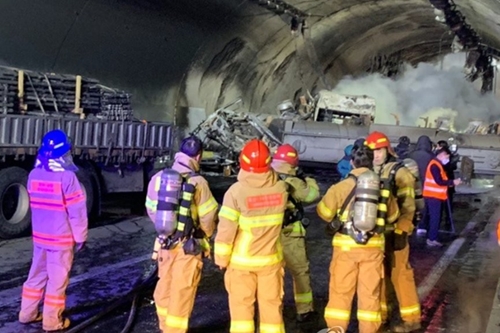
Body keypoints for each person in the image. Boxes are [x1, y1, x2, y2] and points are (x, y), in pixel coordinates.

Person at [317, 146, 398, 333]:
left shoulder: (339, 187)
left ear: (352, 163)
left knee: (340, 294)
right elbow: (393, 216)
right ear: (372, 163)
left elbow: (324, 213)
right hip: (373, 250)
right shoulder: (383, 187)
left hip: (345, 250)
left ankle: (336, 329)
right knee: (370, 295)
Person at [145, 135, 218, 333]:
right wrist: (207, 236)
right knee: (182, 290)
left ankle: (164, 326)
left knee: (164, 285)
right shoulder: (199, 183)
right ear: (199, 156)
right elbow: (208, 216)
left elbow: (151, 208)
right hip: (189, 245)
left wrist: (165, 229)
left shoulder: (158, 178)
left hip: (165, 241)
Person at [214, 139, 288, 333]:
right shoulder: (281, 189)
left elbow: (226, 230)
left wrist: (221, 259)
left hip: (242, 263)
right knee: (272, 310)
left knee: (242, 312)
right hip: (271, 261)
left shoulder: (236, 192)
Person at [19, 129, 88, 332]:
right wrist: (81, 236)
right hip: (61, 239)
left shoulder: (33, 175)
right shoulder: (67, 178)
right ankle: (52, 322)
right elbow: (77, 212)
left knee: (36, 276)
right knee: (57, 281)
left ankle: (27, 313)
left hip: (40, 238)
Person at [364, 131, 421, 333]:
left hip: (395, 233)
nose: (376, 154)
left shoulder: (400, 172)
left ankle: (412, 319)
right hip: (376, 236)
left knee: (400, 275)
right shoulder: (369, 171)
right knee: (378, 276)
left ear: (387, 149)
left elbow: (409, 206)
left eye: (379, 150)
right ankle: (382, 315)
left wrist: (402, 231)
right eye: (372, 151)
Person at [271, 144, 320, 322]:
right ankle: (304, 309)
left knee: (272, 274)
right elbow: (312, 195)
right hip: (291, 234)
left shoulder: (267, 177)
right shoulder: (294, 182)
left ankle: (272, 310)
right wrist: (308, 178)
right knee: (300, 271)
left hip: (269, 234)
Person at [422, 146, 461, 247]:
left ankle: (432, 237)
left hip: (436, 195)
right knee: (435, 218)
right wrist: (452, 182)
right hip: (433, 196)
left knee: (436, 217)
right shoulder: (434, 165)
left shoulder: (437, 164)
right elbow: (439, 181)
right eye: (447, 156)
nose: (447, 158)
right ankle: (432, 239)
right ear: (442, 155)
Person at [407, 135, 435, 236]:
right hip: (426, 184)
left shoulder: (411, 154)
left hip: (412, 183)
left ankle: (409, 224)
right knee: (423, 205)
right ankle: (422, 226)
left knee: (410, 204)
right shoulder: (431, 156)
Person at [437, 140, 459, 225]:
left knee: (443, 202)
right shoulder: (451, 156)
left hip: (444, 182)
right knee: (448, 201)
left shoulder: (440, 156)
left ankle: (443, 218)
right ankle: (448, 218)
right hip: (449, 182)